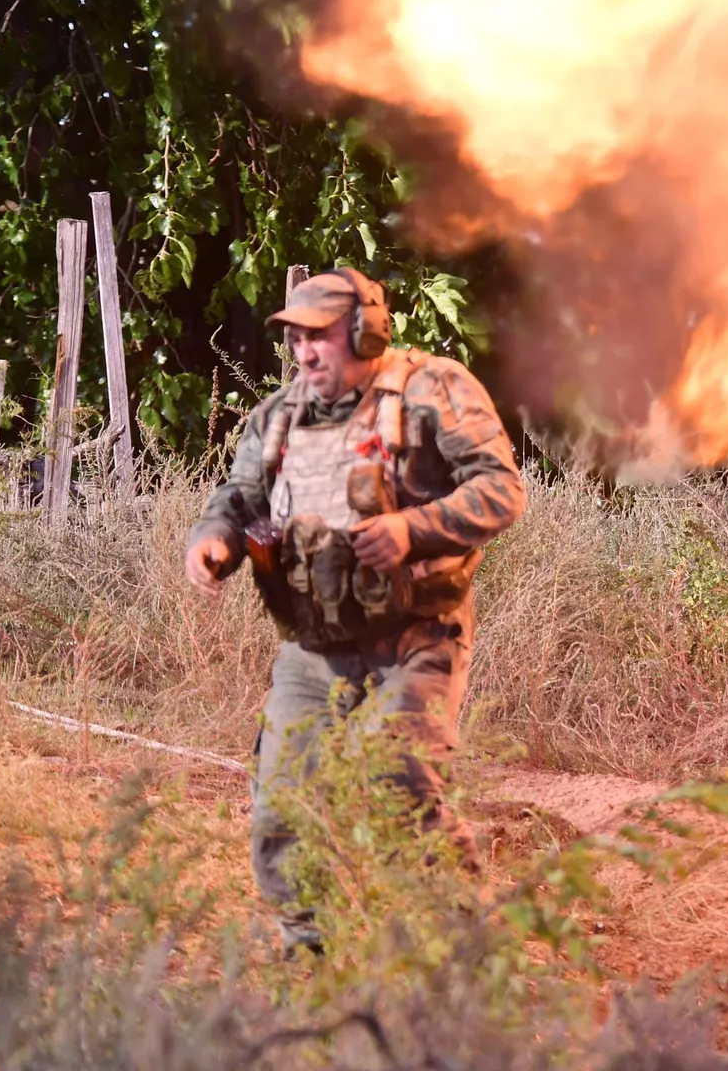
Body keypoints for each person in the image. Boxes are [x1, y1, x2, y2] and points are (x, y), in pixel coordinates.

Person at [184, 269, 526, 954]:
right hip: (312, 651)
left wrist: (413, 529)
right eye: (296, 341)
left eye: (320, 338)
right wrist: (213, 540)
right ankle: (309, 950)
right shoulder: (282, 414)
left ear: (366, 331)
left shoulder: (432, 390)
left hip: (416, 641)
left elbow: (501, 491)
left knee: (400, 782)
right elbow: (238, 496)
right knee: (283, 802)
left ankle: (464, 954)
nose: (305, 355)